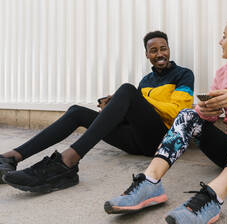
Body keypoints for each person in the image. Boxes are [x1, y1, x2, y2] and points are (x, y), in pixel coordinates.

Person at [103, 15, 227, 224]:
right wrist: (205, 110)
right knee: (187, 114)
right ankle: (150, 181)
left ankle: (213, 197)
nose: (220, 42)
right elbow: (207, 119)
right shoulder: (223, 73)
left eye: (224, 36)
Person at [0, 31, 194, 193]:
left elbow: (178, 111)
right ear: (147, 55)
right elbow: (140, 114)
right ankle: (11, 157)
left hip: (162, 140)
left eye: (163, 48)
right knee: (77, 112)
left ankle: (66, 162)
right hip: (136, 141)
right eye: (153, 50)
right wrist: (113, 107)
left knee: (126, 90)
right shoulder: (145, 81)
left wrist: (135, 98)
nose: (159, 54)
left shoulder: (183, 74)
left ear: (169, 50)